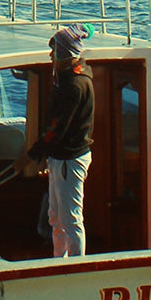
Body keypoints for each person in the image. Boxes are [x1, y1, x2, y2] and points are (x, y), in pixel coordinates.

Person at [19, 24, 94, 257]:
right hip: (60, 159)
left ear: (65, 54)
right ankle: (58, 260)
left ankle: (76, 269)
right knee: (55, 217)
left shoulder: (73, 86)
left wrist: (31, 156)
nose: (51, 55)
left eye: (55, 51)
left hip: (69, 161)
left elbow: (56, 129)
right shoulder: (69, 78)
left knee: (71, 219)